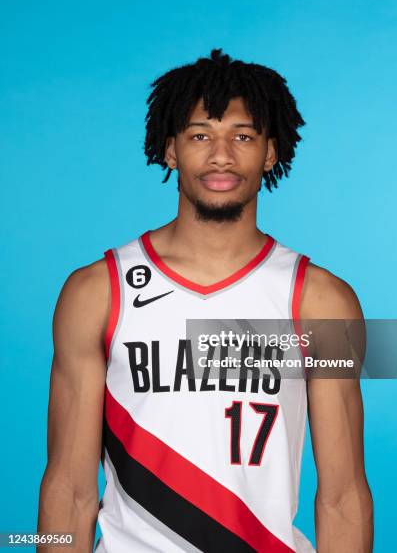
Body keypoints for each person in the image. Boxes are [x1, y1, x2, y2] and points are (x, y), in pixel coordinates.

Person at [37, 48, 373, 552]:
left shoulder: (319, 301)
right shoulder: (98, 292)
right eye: (200, 136)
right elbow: (69, 489)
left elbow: (343, 495)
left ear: (270, 152)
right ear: (171, 150)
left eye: (242, 136)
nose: (221, 155)